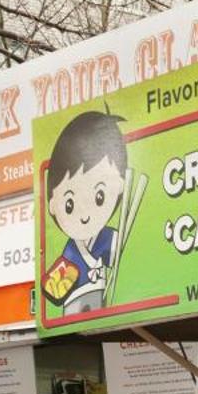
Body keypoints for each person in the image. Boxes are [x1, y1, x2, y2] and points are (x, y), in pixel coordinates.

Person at [42, 110, 127, 317]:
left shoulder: (106, 238)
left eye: (99, 197)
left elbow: (125, 258)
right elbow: (53, 292)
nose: (84, 215)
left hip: (102, 303)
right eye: (69, 204)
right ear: (53, 204)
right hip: (75, 307)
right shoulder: (70, 251)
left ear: (118, 186)